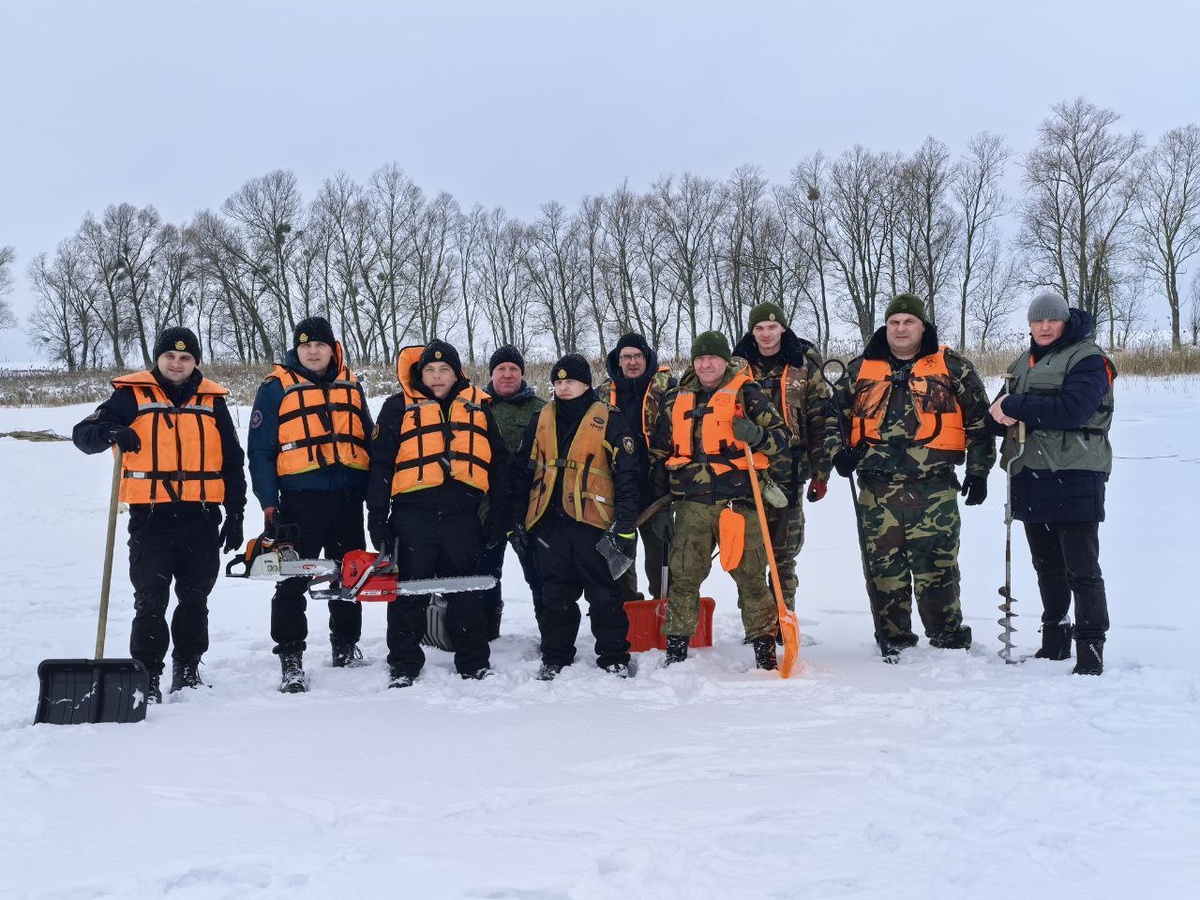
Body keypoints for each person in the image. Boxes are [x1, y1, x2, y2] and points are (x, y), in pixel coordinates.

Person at [72, 327, 247, 702]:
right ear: (158, 358)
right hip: (151, 518)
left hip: (201, 517)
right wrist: (112, 431)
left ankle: (188, 667)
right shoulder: (131, 396)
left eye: (185, 358)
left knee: (195, 599)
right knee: (150, 602)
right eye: (170, 356)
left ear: (195, 362)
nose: (177, 363)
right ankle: (147, 675)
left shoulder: (212, 401)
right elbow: (83, 434)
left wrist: (236, 513)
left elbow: (233, 461)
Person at [832, 294, 996, 662]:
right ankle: (894, 640)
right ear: (886, 326)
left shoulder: (953, 367)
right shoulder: (859, 370)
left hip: (934, 488)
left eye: (909, 322)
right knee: (883, 571)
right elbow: (832, 419)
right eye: (894, 322)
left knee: (936, 568)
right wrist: (836, 454)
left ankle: (948, 640)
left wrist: (979, 471)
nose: (901, 329)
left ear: (923, 326)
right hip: (876, 491)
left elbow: (979, 421)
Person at [366, 339, 510, 688]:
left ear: (456, 373)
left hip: (462, 516)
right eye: (429, 369)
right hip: (412, 516)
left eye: (444, 369)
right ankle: (404, 663)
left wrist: (500, 513)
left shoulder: (478, 407)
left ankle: (473, 662)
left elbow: (499, 464)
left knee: (465, 590)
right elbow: (381, 466)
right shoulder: (397, 407)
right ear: (421, 374)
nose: (436, 376)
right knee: (409, 592)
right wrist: (377, 519)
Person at [988, 292, 1116, 675]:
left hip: (1075, 472)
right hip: (1030, 473)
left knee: (1082, 569)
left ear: (1065, 321)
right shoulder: (1021, 362)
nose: (1044, 327)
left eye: (1052, 320)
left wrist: (1014, 407)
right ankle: (1054, 642)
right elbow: (995, 414)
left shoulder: (1088, 359)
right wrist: (998, 413)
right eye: (1037, 320)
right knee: (1046, 565)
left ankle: (1090, 650)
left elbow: (1072, 410)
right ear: (1029, 324)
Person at [648, 331, 790, 670]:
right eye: (700, 358)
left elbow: (782, 438)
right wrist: (659, 508)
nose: (706, 364)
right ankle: (676, 650)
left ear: (725, 361)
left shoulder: (747, 393)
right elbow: (658, 454)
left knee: (751, 578)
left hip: (737, 503)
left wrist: (756, 435)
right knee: (684, 577)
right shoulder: (674, 399)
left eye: (712, 358)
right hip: (690, 505)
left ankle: (764, 649)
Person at [247, 316, 373, 693]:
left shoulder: (351, 385)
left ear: (333, 349)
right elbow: (260, 451)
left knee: (349, 575)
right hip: (300, 501)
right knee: (292, 580)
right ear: (296, 350)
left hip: (348, 498)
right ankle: (290, 657)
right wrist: (268, 503)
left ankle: (345, 645)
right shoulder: (275, 388)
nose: (313, 352)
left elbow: (368, 437)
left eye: (320, 345)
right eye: (306, 346)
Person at [511, 353, 640, 679]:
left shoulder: (610, 419)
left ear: (586, 384)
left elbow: (627, 475)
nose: (564, 387)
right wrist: (517, 519)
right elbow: (522, 472)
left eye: (571, 381)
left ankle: (614, 656)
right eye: (558, 382)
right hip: (548, 522)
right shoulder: (540, 419)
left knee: (604, 594)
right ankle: (555, 656)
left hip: (593, 523)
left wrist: (625, 523)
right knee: (555, 595)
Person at [732, 303, 835, 617]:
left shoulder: (805, 365)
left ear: (783, 329)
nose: (766, 334)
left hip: (790, 471)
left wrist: (821, 473)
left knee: (784, 554)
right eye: (759, 328)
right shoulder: (736, 367)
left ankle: (783, 617)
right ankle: (757, 622)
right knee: (749, 553)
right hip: (745, 473)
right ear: (752, 332)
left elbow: (820, 421)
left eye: (772, 327)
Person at [596, 333, 677, 602]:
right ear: (618, 360)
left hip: (658, 490)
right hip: (617, 492)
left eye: (637, 356)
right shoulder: (600, 396)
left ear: (647, 357)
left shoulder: (670, 390)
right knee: (619, 563)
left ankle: (665, 609)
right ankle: (629, 610)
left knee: (663, 562)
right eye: (626, 357)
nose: (632, 362)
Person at [478, 344, 546, 638]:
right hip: (485, 507)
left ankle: (551, 633)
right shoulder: (475, 407)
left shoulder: (541, 410)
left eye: (514, 369)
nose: (507, 374)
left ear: (522, 374)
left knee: (539, 573)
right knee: (485, 573)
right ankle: (485, 631)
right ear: (491, 373)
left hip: (528, 508)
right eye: (501, 369)